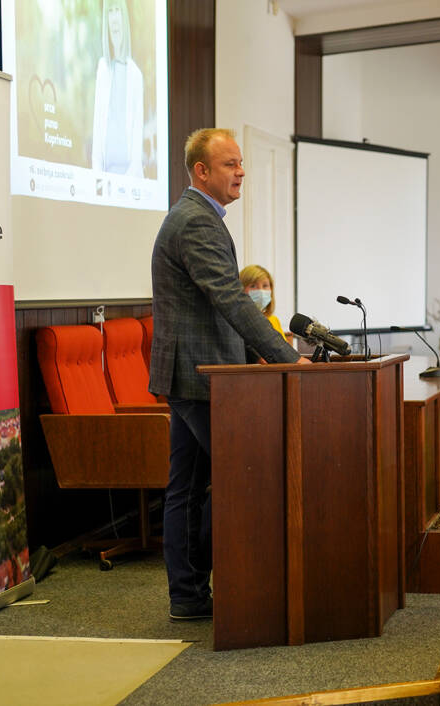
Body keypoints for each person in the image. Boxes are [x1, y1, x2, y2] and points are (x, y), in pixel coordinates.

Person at [150, 127, 308, 621]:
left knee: (188, 489)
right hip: (200, 376)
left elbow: (219, 308)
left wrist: (255, 354)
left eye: (242, 163)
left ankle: (190, 596)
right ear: (201, 171)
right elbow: (230, 298)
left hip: (200, 372)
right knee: (244, 478)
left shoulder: (201, 217)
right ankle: (230, 590)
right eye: (230, 164)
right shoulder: (195, 221)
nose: (241, 172)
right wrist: (284, 356)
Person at [91, 0, 144, 177]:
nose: (114, 18)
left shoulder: (135, 75)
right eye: (110, 12)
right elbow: (97, 127)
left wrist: (127, 180)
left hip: (130, 178)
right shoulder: (102, 69)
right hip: (105, 176)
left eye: (117, 11)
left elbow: (137, 142)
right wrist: (97, 174)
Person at [239, 264, 287, 340]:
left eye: (265, 286)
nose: (261, 291)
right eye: (253, 286)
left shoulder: (274, 320)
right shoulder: (236, 322)